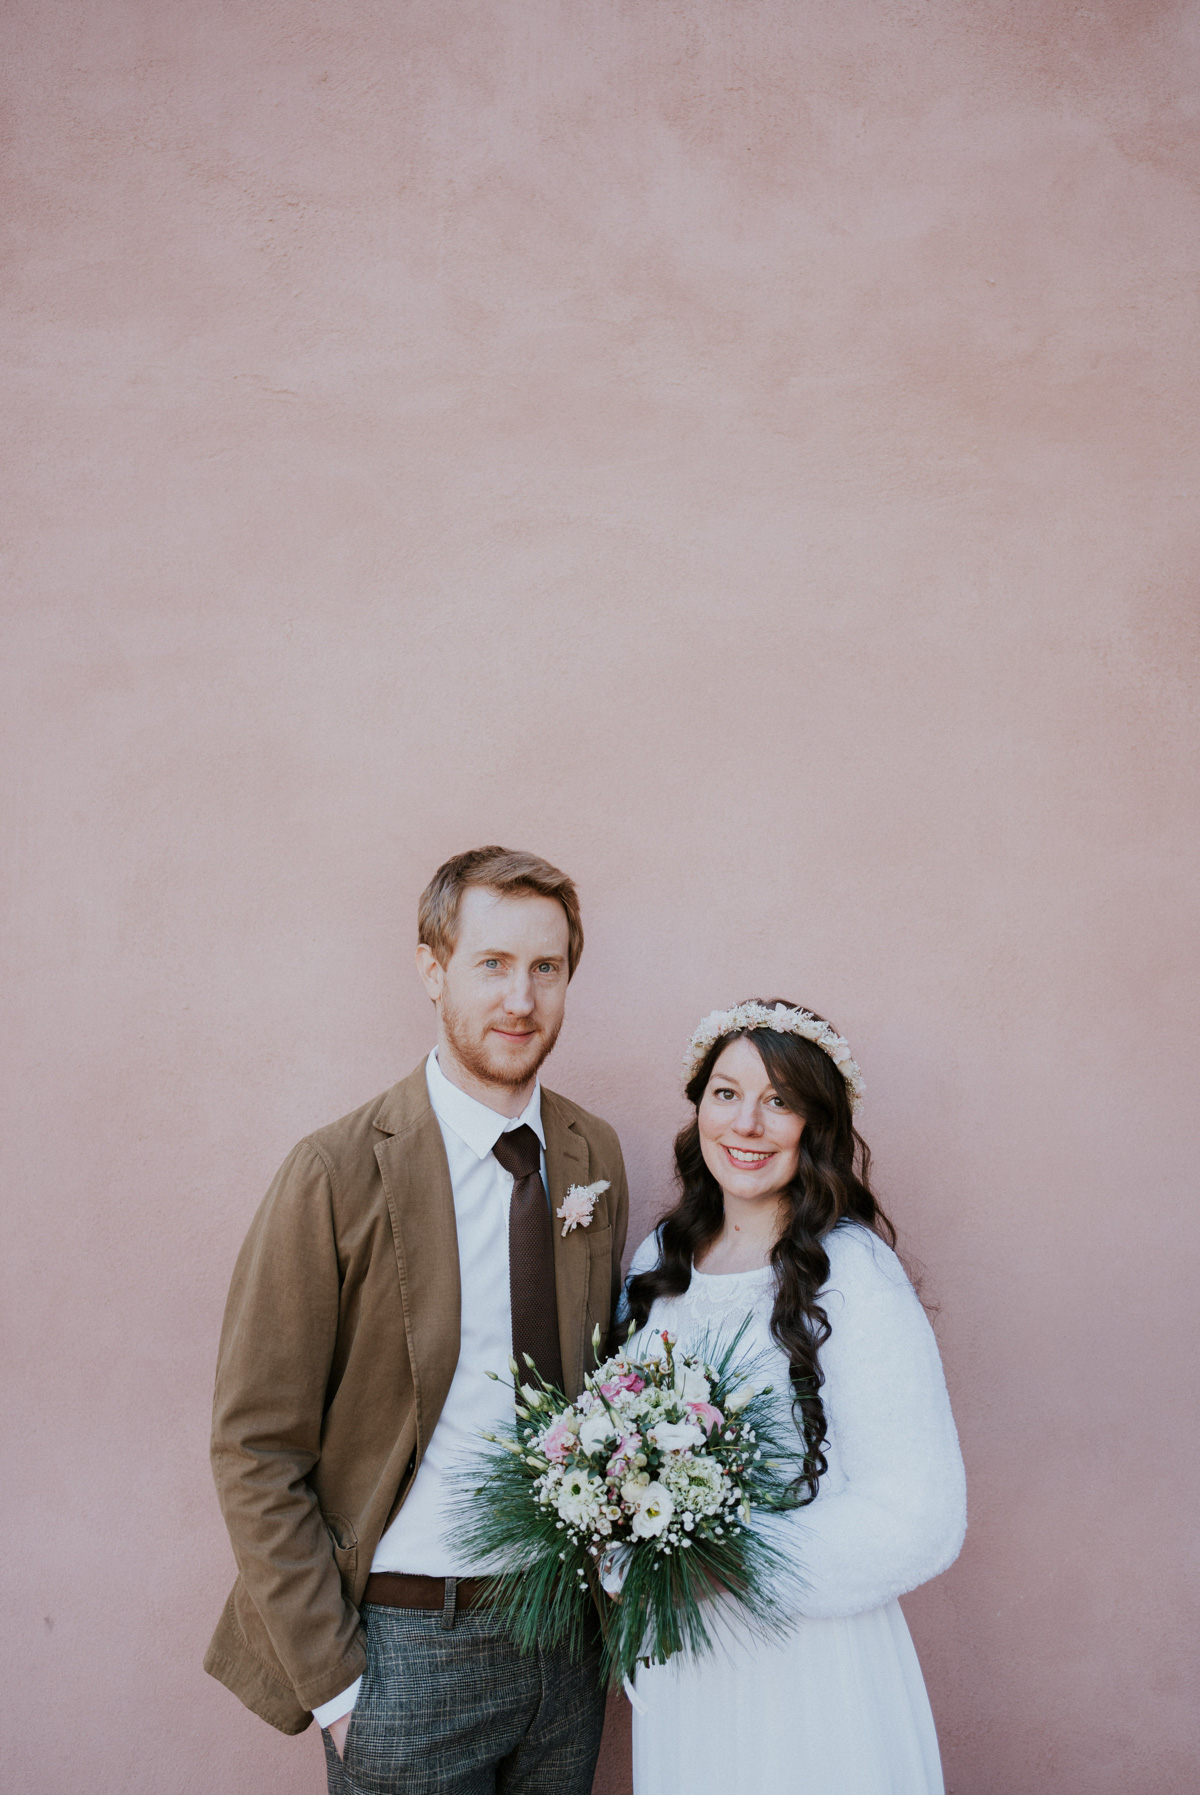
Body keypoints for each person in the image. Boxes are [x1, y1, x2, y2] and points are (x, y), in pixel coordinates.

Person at [205, 846, 630, 1795]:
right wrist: (340, 1688)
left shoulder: (590, 1152)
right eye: (491, 963)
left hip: (565, 1646)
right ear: (432, 970)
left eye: (546, 967)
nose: (520, 997)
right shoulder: (336, 1171)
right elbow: (253, 1445)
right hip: (406, 1653)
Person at [623, 999, 966, 1795]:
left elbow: (921, 1512)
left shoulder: (852, 1275)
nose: (748, 1122)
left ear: (816, 1124)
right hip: (685, 1667)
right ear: (698, 1104)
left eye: (780, 1100)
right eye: (726, 1092)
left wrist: (727, 1560)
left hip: (813, 1671)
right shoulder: (659, 1259)